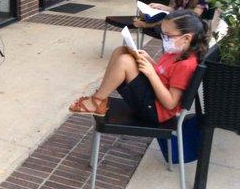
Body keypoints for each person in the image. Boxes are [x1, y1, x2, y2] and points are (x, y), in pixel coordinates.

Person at [69, 10, 208, 123]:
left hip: (155, 111)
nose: (164, 39)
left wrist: (151, 74)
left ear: (187, 38)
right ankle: (100, 98)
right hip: (152, 97)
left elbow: (170, 103)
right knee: (121, 51)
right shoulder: (177, 52)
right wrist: (149, 60)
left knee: (125, 61)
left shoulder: (186, 64)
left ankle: (96, 102)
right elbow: (164, 75)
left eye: (167, 36)